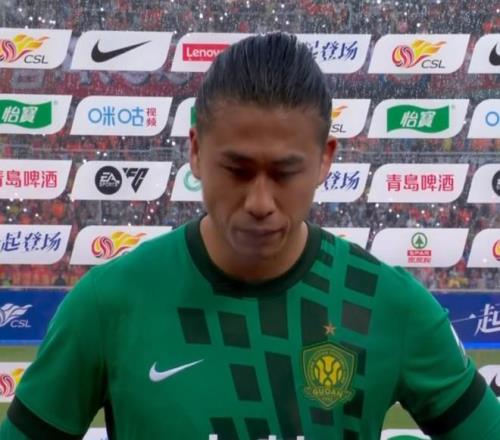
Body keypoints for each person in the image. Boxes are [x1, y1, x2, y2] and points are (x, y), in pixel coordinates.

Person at [1, 32, 499, 440]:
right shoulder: (107, 303)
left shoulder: (391, 305)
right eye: (237, 170)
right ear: (196, 151)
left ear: (325, 159)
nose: (260, 202)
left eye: (285, 172)